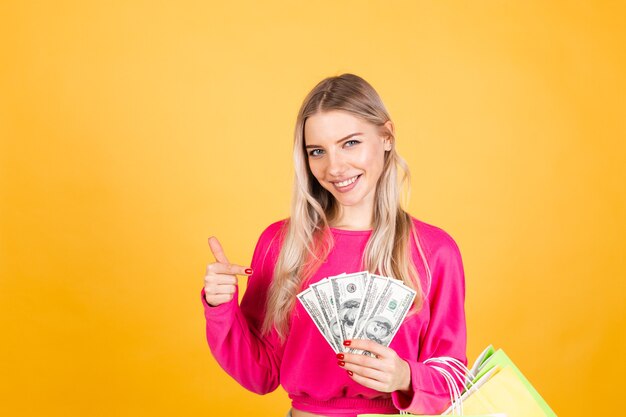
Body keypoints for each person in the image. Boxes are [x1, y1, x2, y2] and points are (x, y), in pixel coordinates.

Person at [201, 73, 467, 417]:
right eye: (317, 151)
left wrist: (405, 376)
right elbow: (261, 373)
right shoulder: (281, 244)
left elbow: (453, 380)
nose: (335, 167)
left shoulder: (435, 251)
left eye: (351, 143)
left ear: (386, 136)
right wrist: (221, 307)